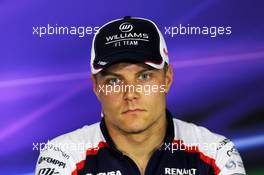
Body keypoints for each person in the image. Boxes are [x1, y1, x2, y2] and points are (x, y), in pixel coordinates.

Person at [35, 16, 246, 175]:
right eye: (114, 81)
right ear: (96, 86)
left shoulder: (216, 153)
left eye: (144, 77)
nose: (131, 94)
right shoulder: (63, 156)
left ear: (167, 78)